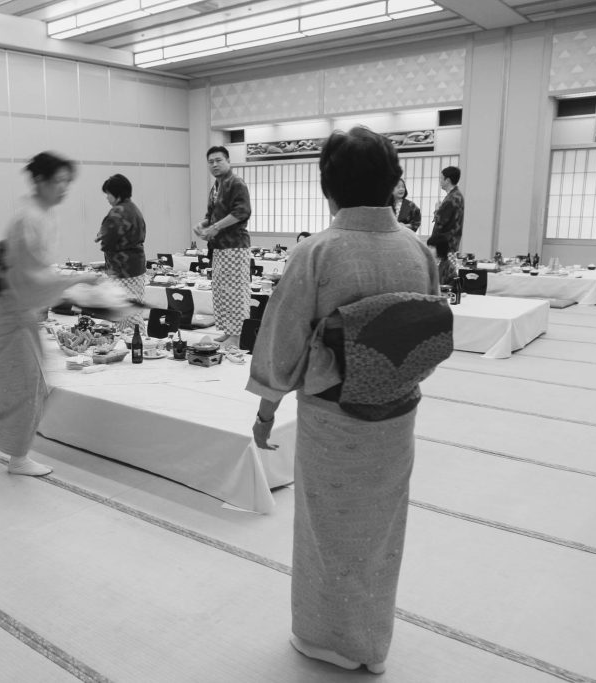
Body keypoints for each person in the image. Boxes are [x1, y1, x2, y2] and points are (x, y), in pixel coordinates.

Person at [247, 127, 441, 675]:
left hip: (333, 418)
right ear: (391, 184)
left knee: (325, 529)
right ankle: (369, 642)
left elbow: (281, 338)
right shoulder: (416, 249)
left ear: (328, 186)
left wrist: (265, 412)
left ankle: (322, 637)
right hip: (396, 415)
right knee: (380, 531)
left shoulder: (319, 251)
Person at [0, 152, 99, 477]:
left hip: (23, 307)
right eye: (59, 181)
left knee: (32, 381)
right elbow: (33, 278)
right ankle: (18, 457)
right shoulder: (29, 218)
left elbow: (40, 273)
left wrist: (70, 282)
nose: (64, 188)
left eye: (67, 182)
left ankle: (13, 448)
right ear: (39, 181)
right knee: (26, 383)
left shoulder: (44, 215)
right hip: (14, 306)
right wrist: (76, 280)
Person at [193, 145, 251, 344]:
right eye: (211, 162)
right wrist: (202, 225)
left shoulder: (236, 183)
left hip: (235, 246)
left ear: (228, 161)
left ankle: (237, 336)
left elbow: (242, 212)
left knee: (235, 291)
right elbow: (211, 216)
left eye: (219, 160)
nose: (215, 164)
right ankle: (228, 330)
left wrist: (215, 227)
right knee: (221, 291)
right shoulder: (216, 187)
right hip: (219, 248)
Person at [96, 174, 146, 332]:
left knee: (127, 313)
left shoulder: (118, 212)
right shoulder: (133, 208)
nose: (106, 198)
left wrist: (101, 238)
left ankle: (140, 344)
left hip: (123, 269)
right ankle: (131, 344)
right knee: (132, 308)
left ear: (117, 194)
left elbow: (108, 240)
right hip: (136, 266)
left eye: (108, 194)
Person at [432, 165, 464, 252]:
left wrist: (437, 210)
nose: (440, 181)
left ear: (448, 180)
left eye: (441, 178)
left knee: (444, 265)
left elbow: (440, 221)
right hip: (453, 241)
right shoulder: (457, 195)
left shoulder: (451, 198)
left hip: (446, 243)